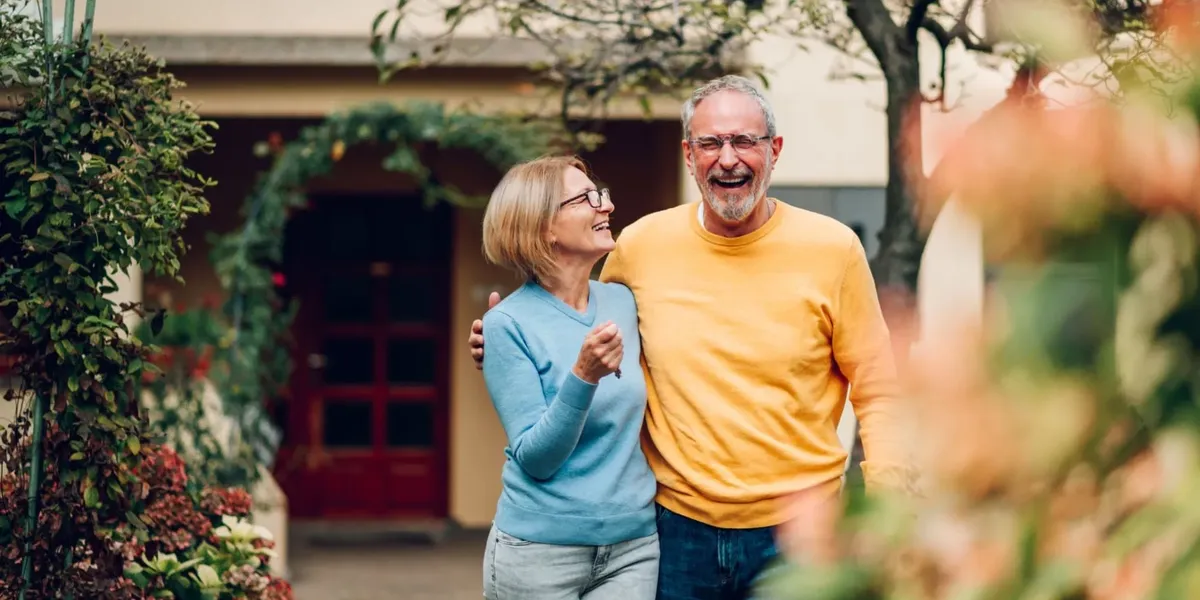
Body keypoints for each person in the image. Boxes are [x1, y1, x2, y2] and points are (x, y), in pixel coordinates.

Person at [470, 76, 907, 599]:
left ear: (775, 150)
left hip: (802, 533)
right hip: (673, 531)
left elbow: (877, 386)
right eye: (710, 143)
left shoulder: (833, 249)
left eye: (745, 140)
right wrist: (498, 341)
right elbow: (578, 326)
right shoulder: (639, 247)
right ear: (687, 155)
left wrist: (890, 503)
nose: (728, 159)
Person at [477, 155, 660, 600]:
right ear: (543, 228)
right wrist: (583, 376)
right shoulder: (507, 324)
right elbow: (537, 459)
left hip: (632, 547)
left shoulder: (624, 302)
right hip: (537, 552)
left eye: (603, 195)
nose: (607, 207)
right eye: (587, 199)